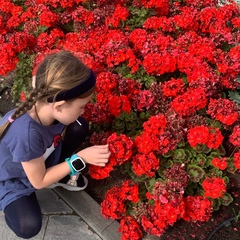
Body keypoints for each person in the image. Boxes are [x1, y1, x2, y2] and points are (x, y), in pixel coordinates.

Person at [0, 50, 111, 239]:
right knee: (28, 226)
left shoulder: (47, 106)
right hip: (14, 180)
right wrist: (80, 158)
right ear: (59, 106)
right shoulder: (26, 135)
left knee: (78, 126)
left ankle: (58, 175)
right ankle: (9, 204)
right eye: (82, 106)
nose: (85, 109)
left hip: (42, 156)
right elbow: (39, 181)